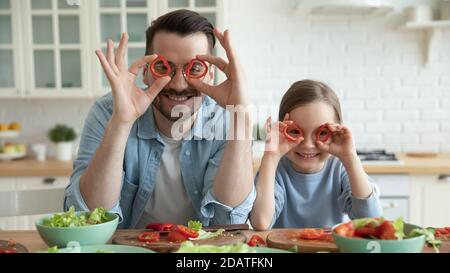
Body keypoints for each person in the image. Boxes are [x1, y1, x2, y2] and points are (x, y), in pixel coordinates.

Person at [64, 9, 255, 228]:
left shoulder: (227, 120)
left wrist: (242, 117)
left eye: (195, 68)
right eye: (163, 67)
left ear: (210, 74)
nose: (178, 84)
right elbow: (89, 219)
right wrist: (121, 123)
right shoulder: (109, 113)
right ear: (146, 72)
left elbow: (229, 222)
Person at [250, 80, 382, 230]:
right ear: (282, 129)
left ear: (336, 132)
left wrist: (350, 158)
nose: (307, 145)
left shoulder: (340, 168)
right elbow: (261, 222)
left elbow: (371, 221)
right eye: (295, 131)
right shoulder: (275, 169)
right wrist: (271, 156)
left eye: (322, 133)